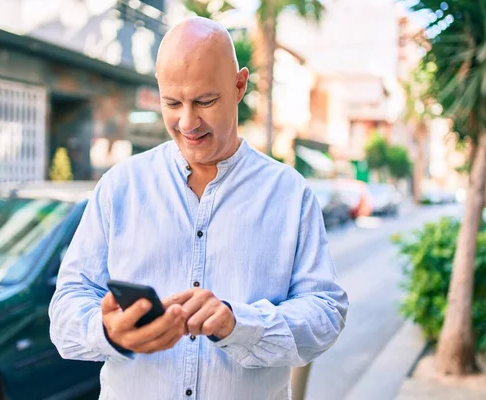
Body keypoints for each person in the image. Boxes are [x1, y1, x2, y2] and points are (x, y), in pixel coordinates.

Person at [49, 17, 348, 400]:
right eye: (172, 103)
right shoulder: (119, 187)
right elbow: (66, 307)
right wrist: (107, 332)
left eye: (205, 101)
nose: (187, 122)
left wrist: (239, 323)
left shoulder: (289, 193)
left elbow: (325, 312)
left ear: (240, 86)